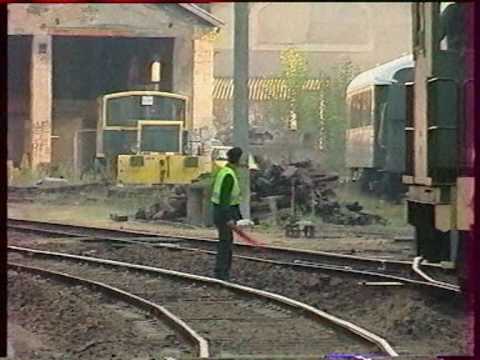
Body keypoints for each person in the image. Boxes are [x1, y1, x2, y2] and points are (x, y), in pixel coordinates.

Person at [210, 147, 243, 281]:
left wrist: (238, 218)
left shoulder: (224, 171)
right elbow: (224, 198)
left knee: (225, 242)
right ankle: (222, 273)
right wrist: (229, 218)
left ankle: (221, 271)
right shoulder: (228, 175)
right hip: (223, 214)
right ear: (239, 160)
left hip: (220, 212)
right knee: (225, 243)